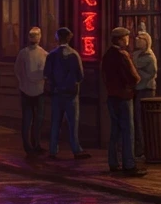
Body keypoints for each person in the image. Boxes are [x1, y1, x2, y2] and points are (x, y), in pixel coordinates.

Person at [101, 27, 144, 176]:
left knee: (115, 131)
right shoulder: (122, 55)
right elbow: (134, 77)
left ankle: (113, 162)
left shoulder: (107, 55)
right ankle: (129, 164)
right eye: (126, 38)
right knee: (128, 131)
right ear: (120, 39)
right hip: (124, 96)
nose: (128, 40)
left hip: (111, 96)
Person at [43, 27, 90, 160]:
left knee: (55, 122)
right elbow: (80, 75)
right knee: (73, 123)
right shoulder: (74, 54)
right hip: (71, 94)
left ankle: (53, 149)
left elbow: (46, 74)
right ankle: (76, 148)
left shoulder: (51, 55)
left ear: (57, 38)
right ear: (69, 38)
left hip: (57, 93)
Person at [14, 27, 47, 154]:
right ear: (39, 38)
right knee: (38, 120)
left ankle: (27, 146)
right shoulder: (44, 54)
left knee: (27, 119)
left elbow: (17, 70)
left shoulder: (23, 53)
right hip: (39, 91)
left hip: (25, 91)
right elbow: (45, 73)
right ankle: (36, 144)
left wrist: (22, 82)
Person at [131, 30, 158, 159]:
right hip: (137, 89)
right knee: (137, 119)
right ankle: (139, 146)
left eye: (140, 38)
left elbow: (147, 73)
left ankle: (143, 147)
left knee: (142, 119)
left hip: (145, 90)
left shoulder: (149, 57)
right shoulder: (136, 54)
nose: (137, 40)